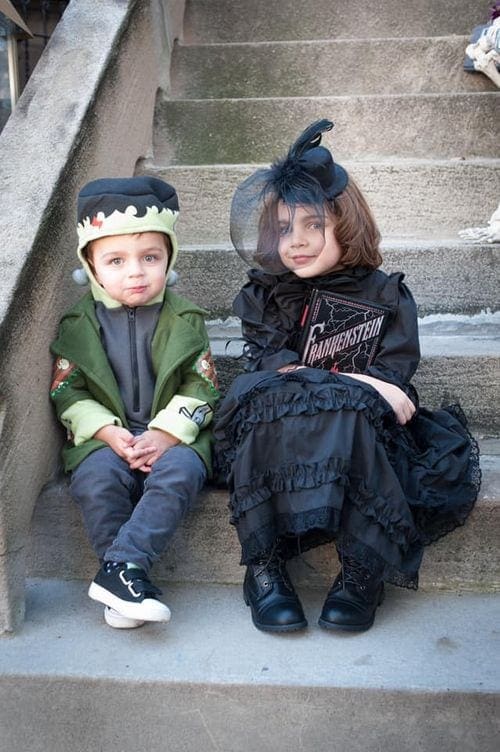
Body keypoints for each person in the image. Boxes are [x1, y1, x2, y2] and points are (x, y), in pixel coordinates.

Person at [214, 120, 480, 634]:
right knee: (261, 398)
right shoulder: (267, 294)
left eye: (314, 225)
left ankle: (361, 570)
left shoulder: (385, 295)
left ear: (346, 223)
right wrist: (366, 383)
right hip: (283, 429)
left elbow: (393, 383)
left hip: (360, 436)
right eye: (285, 227)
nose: (298, 241)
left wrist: (374, 387)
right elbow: (274, 367)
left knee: (355, 412)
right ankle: (264, 566)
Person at [50, 176, 219, 629]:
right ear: (90, 265)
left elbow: (203, 386)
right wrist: (107, 432)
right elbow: (68, 390)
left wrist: (165, 433)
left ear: (170, 258)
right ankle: (124, 580)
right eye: (116, 260)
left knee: (180, 473)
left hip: (173, 434)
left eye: (151, 258)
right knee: (97, 480)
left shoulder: (184, 319)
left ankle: (121, 570)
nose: (136, 272)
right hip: (105, 436)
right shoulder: (77, 325)